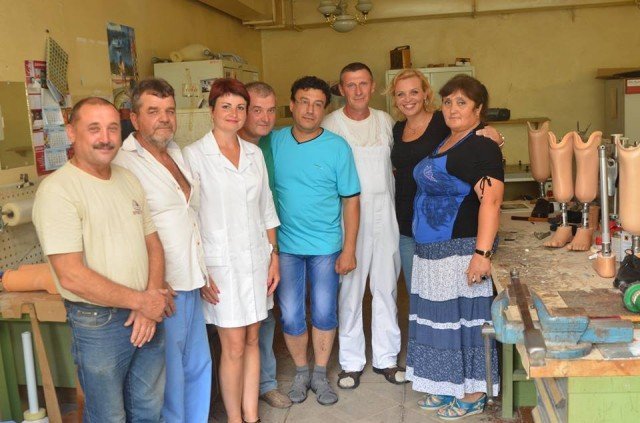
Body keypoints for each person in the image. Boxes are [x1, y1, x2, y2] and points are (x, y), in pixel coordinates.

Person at [32, 97, 173, 422]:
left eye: (112, 128)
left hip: (146, 313)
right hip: (99, 324)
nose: (106, 138)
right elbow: (71, 275)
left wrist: (150, 300)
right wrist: (143, 301)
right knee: (108, 416)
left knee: (149, 410)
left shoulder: (128, 179)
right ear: (71, 132)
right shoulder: (58, 191)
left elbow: (154, 244)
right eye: (94, 129)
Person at [113, 78, 212, 422]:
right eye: (153, 111)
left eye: (169, 110)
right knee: (169, 376)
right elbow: (126, 232)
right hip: (162, 287)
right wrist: (152, 285)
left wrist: (204, 270)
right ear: (134, 118)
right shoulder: (123, 163)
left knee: (197, 366)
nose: (164, 118)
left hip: (191, 279)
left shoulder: (177, 153)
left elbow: (190, 218)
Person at [406, 74, 503, 419]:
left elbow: (491, 202)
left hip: (460, 250)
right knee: (439, 321)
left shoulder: (481, 146)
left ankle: (474, 392)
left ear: (478, 108)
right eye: (447, 102)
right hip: (432, 252)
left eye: (462, 102)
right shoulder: (447, 140)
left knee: (466, 323)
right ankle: (447, 385)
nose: (452, 108)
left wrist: (482, 255)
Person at [183, 78, 280, 423]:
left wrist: (274, 257)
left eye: (240, 107)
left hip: (257, 260)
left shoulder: (254, 154)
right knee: (234, 345)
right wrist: (200, 271)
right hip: (219, 266)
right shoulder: (193, 156)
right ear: (211, 111)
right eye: (226, 106)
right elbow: (189, 219)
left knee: (253, 338)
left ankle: (251, 415)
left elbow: (266, 208)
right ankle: (235, 418)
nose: (234, 113)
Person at [271, 76, 360, 406]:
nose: (310, 110)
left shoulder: (337, 147)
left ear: (325, 109)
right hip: (286, 247)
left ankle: (320, 374)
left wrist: (349, 249)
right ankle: (301, 371)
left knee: (324, 312)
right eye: (304, 102)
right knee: (291, 315)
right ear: (292, 104)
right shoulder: (273, 142)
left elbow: (351, 200)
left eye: (318, 104)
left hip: (326, 246)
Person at [322, 63, 404, 389]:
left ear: (372, 86)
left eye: (363, 84)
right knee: (350, 290)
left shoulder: (386, 122)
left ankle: (387, 358)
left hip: (386, 213)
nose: (357, 91)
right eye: (350, 85)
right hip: (349, 218)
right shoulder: (331, 124)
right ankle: (351, 362)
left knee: (385, 287)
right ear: (341, 89)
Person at [387, 69, 504, 291]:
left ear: (425, 93)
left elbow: (477, 137)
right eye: (401, 94)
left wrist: (497, 138)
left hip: (450, 230)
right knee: (419, 291)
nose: (408, 99)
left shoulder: (444, 120)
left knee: (446, 294)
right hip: (406, 220)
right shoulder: (397, 129)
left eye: (414, 92)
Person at [237, 81, 293, 409]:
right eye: (256, 110)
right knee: (236, 325)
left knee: (266, 316)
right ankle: (237, 388)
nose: (265, 117)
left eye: (271, 110)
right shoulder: (226, 145)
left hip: (269, 242)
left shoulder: (274, 142)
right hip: (235, 247)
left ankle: (265, 383)